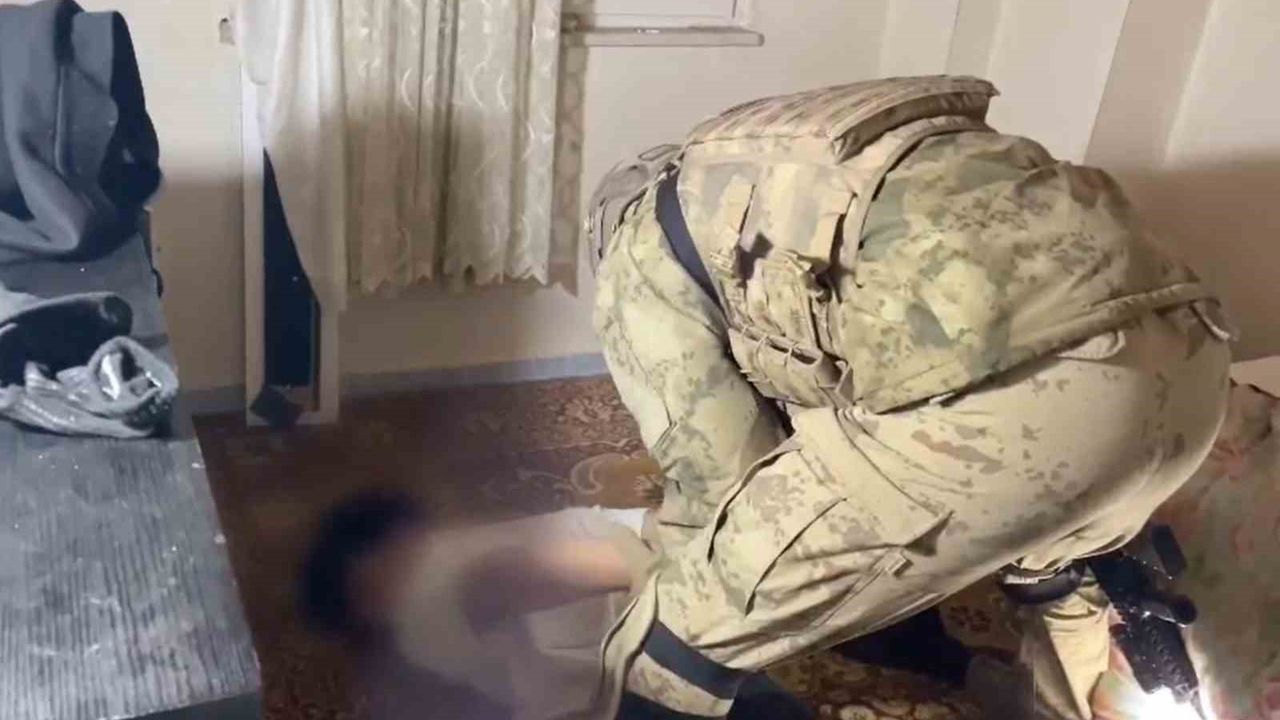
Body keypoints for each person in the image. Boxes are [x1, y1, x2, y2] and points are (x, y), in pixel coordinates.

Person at [306, 75, 1233, 720]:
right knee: (1059, 574)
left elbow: (723, 491)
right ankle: (1052, 700)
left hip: (1025, 403)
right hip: (1191, 364)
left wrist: (694, 573)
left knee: (686, 629)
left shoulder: (638, 262)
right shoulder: (768, 170)